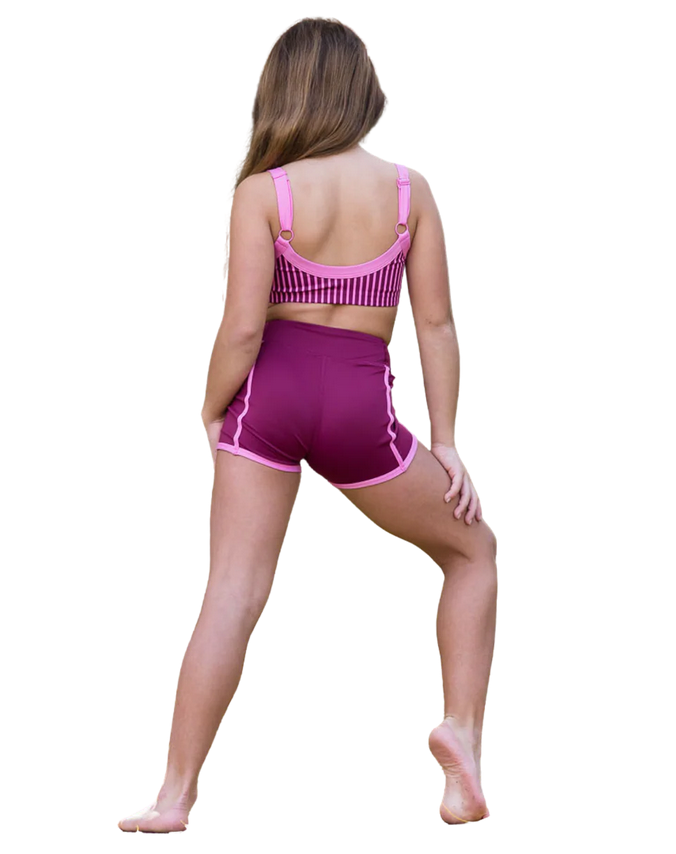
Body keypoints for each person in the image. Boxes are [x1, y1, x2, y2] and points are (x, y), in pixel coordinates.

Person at [118, 16, 497, 834]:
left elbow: (242, 330)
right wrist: (445, 441)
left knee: (232, 593)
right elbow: (435, 325)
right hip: (360, 406)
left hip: (271, 399)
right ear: (362, 91)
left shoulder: (265, 192)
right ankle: (461, 735)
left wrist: (213, 406)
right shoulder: (409, 192)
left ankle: (174, 797)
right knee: (473, 553)